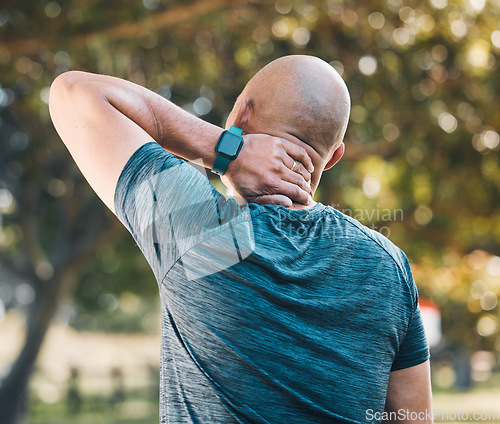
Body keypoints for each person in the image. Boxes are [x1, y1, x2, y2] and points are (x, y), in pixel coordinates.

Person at [49, 55, 432, 423]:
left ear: (238, 117)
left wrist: (225, 151)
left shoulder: (204, 234)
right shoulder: (387, 265)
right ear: (333, 158)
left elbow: (73, 93)